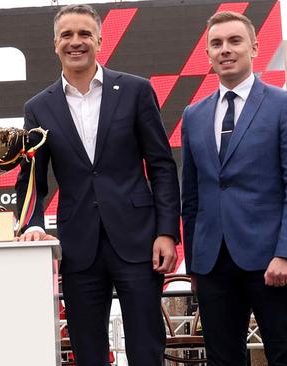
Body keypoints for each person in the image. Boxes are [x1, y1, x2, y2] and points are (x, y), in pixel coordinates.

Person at [15, 4, 180, 365]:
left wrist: (167, 232)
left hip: (138, 241)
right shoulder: (38, 107)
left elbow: (162, 166)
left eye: (84, 34)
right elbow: (31, 178)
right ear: (54, 43)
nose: (76, 42)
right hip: (78, 246)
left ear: (100, 40)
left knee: (146, 348)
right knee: (88, 351)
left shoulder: (136, 91)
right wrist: (32, 224)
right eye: (67, 35)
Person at [181, 11, 287, 366]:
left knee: (285, 356)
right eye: (216, 43)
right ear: (208, 53)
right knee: (223, 360)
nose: (225, 49)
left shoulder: (285, 106)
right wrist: (194, 263)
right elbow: (190, 196)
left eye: (234, 41)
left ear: (254, 48)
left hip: (271, 260)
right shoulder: (193, 115)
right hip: (211, 263)